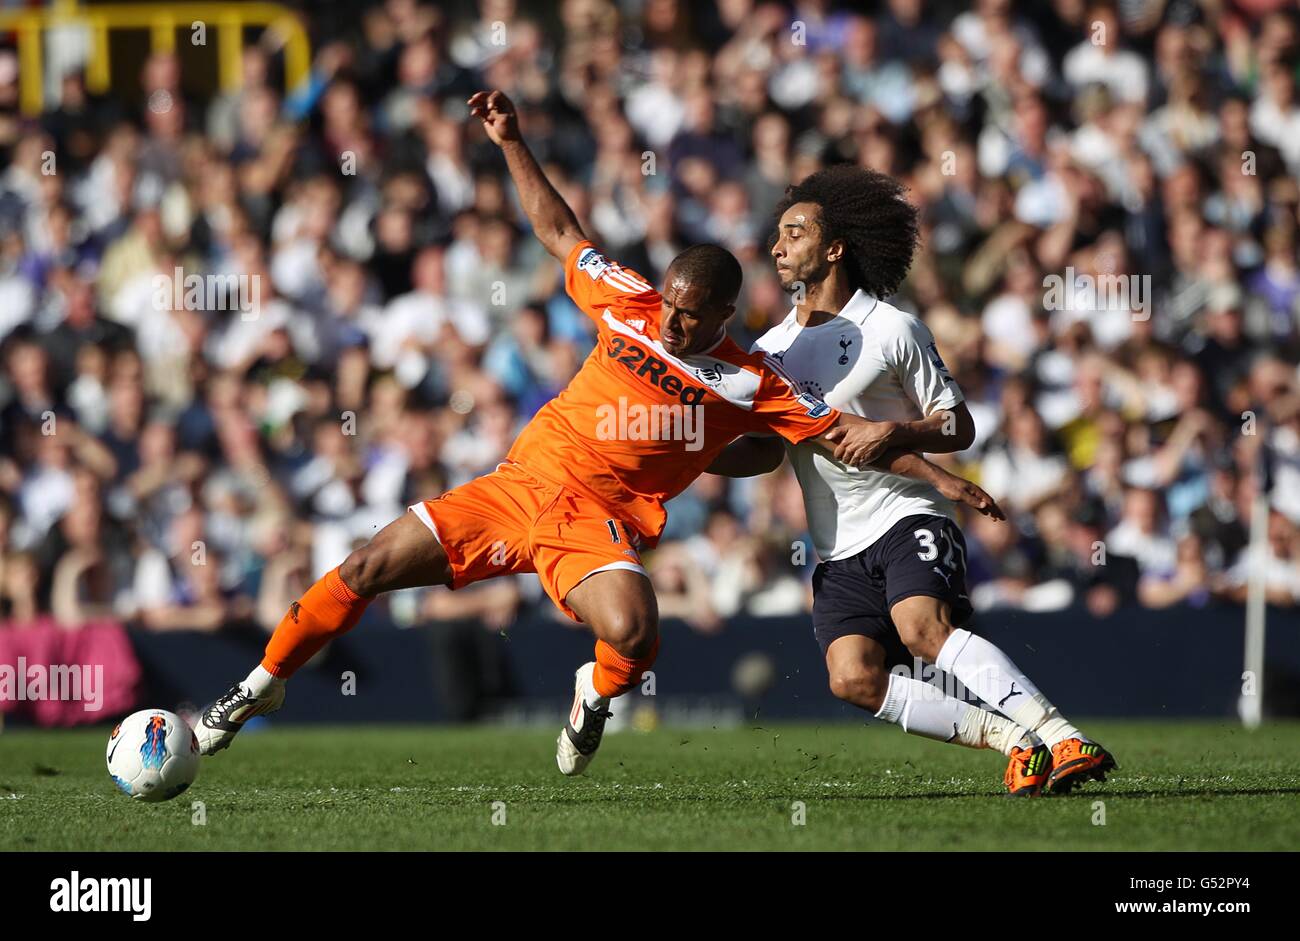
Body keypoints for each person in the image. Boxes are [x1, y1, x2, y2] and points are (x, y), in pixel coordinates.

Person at [195, 92, 997, 775]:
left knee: (636, 632)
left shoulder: (755, 377)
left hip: (594, 521)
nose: (673, 321)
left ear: (725, 315)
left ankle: (596, 690)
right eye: (671, 302)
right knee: (365, 563)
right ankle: (258, 684)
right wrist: (513, 144)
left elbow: (842, 435)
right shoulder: (629, 301)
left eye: (691, 313)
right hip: (517, 488)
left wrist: (944, 477)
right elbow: (556, 228)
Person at [710, 165, 1115, 795]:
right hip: (836, 547)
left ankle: (1062, 736)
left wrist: (895, 434)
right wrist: (685, 461)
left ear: (834, 248)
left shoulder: (893, 329)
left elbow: (958, 426)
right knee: (852, 679)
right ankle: (1015, 742)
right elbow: (765, 454)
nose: (777, 247)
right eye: (778, 235)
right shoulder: (770, 352)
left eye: (793, 233)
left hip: (907, 514)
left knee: (922, 629)